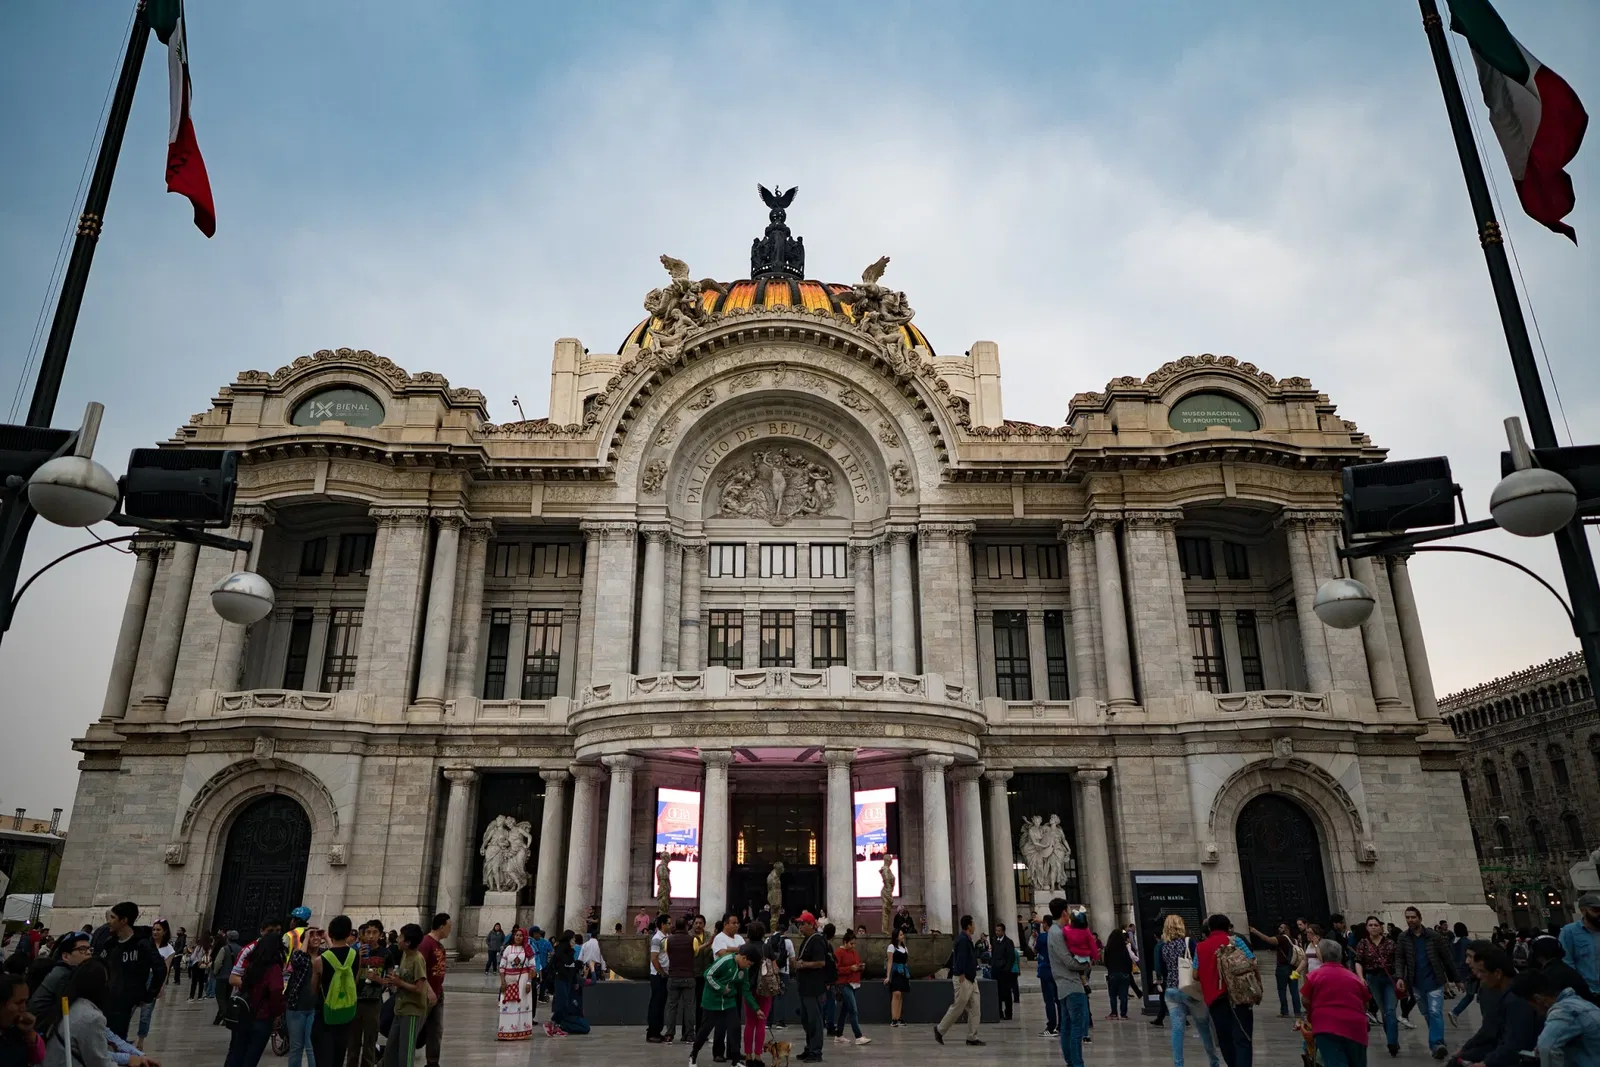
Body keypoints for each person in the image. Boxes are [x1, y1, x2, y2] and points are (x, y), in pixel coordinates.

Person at [89, 904, 163, 1042]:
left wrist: (148, 995)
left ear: (123, 920)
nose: (109, 921)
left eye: (113, 917)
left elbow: (160, 968)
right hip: (106, 998)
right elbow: (99, 965)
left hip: (125, 1000)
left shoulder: (143, 943)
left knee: (115, 1037)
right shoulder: (110, 943)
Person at [1396, 906, 1460, 1060]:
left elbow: (1447, 958)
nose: (1410, 920)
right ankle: (1437, 1042)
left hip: (1434, 980)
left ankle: (1437, 1043)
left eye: (1413, 917)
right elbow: (1399, 958)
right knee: (1426, 1013)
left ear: (1420, 918)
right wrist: (1399, 977)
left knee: (1435, 1012)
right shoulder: (1403, 938)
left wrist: (1456, 979)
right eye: (1408, 917)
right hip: (1416, 983)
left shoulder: (1433, 936)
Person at [1160, 913, 1220, 1067]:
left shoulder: (1163, 946)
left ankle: (1178, 1064)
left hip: (1171, 990)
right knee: (1203, 1025)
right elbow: (1197, 964)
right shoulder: (1188, 943)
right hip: (1189, 989)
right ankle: (1213, 1061)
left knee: (1177, 1030)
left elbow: (1162, 969)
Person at [689, 943, 764, 1067]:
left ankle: (735, 1060)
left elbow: (746, 990)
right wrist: (721, 988)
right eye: (749, 964)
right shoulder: (725, 961)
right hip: (712, 1001)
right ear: (744, 958)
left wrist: (756, 1009)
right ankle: (693, 1054)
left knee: (735, 1028)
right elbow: (707, 975)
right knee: (705, 1029)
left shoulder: (744, 970)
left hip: (729, 1002)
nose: (748, 967)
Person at [1301, 940, 1369, 1067]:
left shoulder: (1314, 976)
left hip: (1326, 1026)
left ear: (1321, 955)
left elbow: (1305, 1000)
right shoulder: (1354, 977)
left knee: (1335, 1062)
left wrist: (1312, 1013)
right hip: (1356, 1027)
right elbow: (1366, 1003)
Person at [1197, 914, 1253, 1067]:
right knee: (1243, 1037)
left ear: (1209, 928)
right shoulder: (1236, 941)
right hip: (1239, 995)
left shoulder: (1201, 947)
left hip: (1215, 997)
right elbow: (1251, 961)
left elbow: (1195, 973)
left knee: (1225, 1037)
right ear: (1228, 926)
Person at [223, 932, 285, 1067]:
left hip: (244, 1014)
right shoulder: (274, 969)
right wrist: (278, 1012)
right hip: (262, 1018)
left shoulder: (252, 965)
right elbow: (275, 992)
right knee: (250, 1058)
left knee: (236, 1053)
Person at [1047, 900, 1093, 1067]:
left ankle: (1071, 1062)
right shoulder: (1056, 933)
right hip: (1071, 985)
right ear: (1064, 913)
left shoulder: (1056, 931)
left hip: (1064, 986)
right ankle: (1076, 1063)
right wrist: (1086, 964)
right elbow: (1068, 961)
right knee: (1076, 1028)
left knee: (1067, 1027)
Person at [1527, 968, 1600, 1066]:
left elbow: (1547, 1048)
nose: (1538, 1013)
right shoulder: (1581, 1004)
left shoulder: (1565, 1010)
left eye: (1534, 1007)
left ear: (1538, 999)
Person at [381, 924, 431, 1067]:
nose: (397, 939)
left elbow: (419, 988)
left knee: (406, 1052)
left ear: (408, 942)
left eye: (401, 937)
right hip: (400, 1008)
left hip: (412, 1011)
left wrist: (400, 983)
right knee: (390, 1050)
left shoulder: (417, 959)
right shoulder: (405, 955)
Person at [1353, 915, 1401, 1057]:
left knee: (1390, 1010)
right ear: (1367, 928)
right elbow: (1358, 961)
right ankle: (1393, 1040)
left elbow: (1398, 960)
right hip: (1373, 979)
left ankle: (1392, 1042)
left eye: (1376, 925)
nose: (1373, 927)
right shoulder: (1363, 943)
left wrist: (1400, 978)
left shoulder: (1390, 943)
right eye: (1370, 925)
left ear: (1381, 927)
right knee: (1384, 1011)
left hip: (1389, 978)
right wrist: (1361, 978)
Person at [932, 914, 982, 1048]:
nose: (975, 926)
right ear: (969, 926)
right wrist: (961, 973)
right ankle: (940, 1029)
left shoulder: (967, 939)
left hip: (971, 978)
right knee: (958, 1007)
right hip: (964, 978)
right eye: (973, 924)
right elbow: (959, 958)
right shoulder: (962, 940)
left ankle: (972, 1037)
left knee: (975, 1007)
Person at [27, 932, 91, 1034]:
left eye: (89, 949)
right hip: (39, 1030)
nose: (88, 953)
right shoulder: (64, 975)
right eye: (82, 949)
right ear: (65, 956)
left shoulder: (66, 971)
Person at [349, 921, 387, 1067]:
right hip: (355, 1001)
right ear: (362, 935)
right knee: (353, 1043)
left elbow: (390, 981)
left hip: (374, 1002)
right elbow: (350, 978)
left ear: (380, 934)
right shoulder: (353, 953)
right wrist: (359, 959)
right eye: (367, 933)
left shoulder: (385, 953)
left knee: (370, 1043)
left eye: (374, 932)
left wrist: (378, 979)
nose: (371, 936)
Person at [794, 911, 830, 1062]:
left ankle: (816, 1051)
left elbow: (821, 962)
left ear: (810, 925)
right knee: (806, 1019)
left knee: (814, 1020)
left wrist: (803, 964)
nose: (800, 927)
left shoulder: (817, 940)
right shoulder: (808, 940)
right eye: (799, 924)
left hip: (813, 988)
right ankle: (809, 1048)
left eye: (802, 924)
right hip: (805, 987)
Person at [1247, 921, 1302, 1020]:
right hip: (1294, 968)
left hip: (1283, 968)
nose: (1279, 929)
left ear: (1286, 929)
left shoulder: (1282, 938)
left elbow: (1268, 939)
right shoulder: (1294, 940)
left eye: (1281, 927)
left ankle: (1284, 1011)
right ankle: (1297, 1011)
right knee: (1294, 991)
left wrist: (1255, 931)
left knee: (1282, 990)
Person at [416, 913, 451, 1066]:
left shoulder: (440, 946)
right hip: (426, 992)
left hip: (438, 992)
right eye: (449, 927)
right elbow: (419, 969)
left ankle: (432, 1062)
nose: (450, 930)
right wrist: (428, 990)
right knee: (415, 1029)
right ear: (441, 926)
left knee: (436, 1030)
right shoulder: (425, 943)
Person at [494, 926, 534, 1041]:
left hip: (523, 979)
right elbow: (502, 966)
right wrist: (502, 982)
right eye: (516, 935)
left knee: (521, 1004)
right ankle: (506, 1030)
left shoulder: (528, 950)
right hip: (509, 979)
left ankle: (521, 1031)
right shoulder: (508, 949)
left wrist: (529, 982)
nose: (518, 937)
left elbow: (532, 967)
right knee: (507, 1004)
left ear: (524, 937)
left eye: (521, 935)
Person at [831, 928, 869, 1046]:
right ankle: (858, 1036)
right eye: (851, 944)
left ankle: (839, 1035)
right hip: (843, 984)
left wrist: (859, 967)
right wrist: (849, 969)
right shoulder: (839, 953)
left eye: (854, 944)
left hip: (853, 983)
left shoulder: (853, 952)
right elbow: (835, 970)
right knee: (853, 1009)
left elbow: (855, 963)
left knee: (845, 1010)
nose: (853, 946)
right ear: (845, 942)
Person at [1559, 893, 1600, 996]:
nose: (1599, 913)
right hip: (1586, 993)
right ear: (1583, 910)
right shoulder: (1569, 932)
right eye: (1595, 910)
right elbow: (1567, 963)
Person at [0, 973, 44, 1067]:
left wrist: (29, 1032)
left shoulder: (16, 1029)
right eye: (18, 1003)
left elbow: (38, 1057)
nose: (23, 1008)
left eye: (25, 1002)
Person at [666, 918, 698, 1045]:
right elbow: (695, 954)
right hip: (688, 976)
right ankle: (690, 1034)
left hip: (673, 976)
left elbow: (668, 953)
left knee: (671, 1007)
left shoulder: (668, 940)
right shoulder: (693, 940)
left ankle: (669, 1034)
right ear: (686, 926)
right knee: (689, 1007)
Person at [547, 931, 578, 1037]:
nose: (574, 941)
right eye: (572, 938)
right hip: (560, 979)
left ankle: (558, 1026)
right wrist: (556, 974)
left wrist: (575, 980)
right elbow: (552, 965)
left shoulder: (571, 952)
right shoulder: (560, 951)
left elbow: (572, 967)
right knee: (562, 1002)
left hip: (568, 980)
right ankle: (552, 1022)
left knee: (565, 1004)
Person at [647, 914, 671, 1043]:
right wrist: (661, 972)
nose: (670, 925)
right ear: (662, 924)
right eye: (668, 923)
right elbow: (654, 958)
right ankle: (652, 1032)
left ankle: (658, 1031)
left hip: (663, 975)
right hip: (658, 976)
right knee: (656, 1004)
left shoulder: (666, 938)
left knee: (661, 1004)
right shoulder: (657, 939)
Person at [1448, 924, 1478, 1027]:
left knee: (1472, 993)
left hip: (1459, 971)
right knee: (1471, 993)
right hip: (1469, 971)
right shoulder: (1467, 942)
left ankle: (1455, 1012)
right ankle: (1455, 1012)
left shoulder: (1452, 942)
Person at [989, 922, 1019, 1022]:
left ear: (1003, 931)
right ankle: (999, 1012)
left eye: (999, 931)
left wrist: (1007, 969)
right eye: (996, 930)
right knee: (997, 993)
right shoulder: (994, 941)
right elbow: (993, 954)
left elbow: (1011, 957)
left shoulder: (1008, 942)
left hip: (1005, 972)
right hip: (996, 970)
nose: (997, 932)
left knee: (1006, 993)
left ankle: (1008, 1013)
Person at [1036, 913, 1059, 1038]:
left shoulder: (1043, 937)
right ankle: (1061, 1025)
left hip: (1045, 970)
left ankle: (1051, 1027)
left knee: (1049, 1000)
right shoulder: (1058, 935)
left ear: (1045, 923)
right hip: (1057, 971)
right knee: (1059, 1000)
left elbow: (1035, 949)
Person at [1104, 928, 1134, 1021]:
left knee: (1112, 995)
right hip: (1124, 973)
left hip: (1113, 973)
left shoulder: (1108, 948)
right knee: (1124, 995)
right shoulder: (1124, 947)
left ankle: (1114, 1013)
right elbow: (1129, 961)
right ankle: (1123, 1014)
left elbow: (1106, 961)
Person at [211, 931, 240, 1024]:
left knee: (220, 998)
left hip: (222, 976)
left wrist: (215, 972)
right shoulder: (241, 949)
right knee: (227, 997)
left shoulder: (224, 949)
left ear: (228, 938)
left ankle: (226, 1016)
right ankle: (218, 1019)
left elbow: (217, 963)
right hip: (233, 977)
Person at [885, 928, 911, 1029]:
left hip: (903, 972)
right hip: (895, 972)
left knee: (901, 995)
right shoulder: (891, 947)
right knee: (896, 993)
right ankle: (894, 1018)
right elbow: (890, 962)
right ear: (896, 936)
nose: (902, 936)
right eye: (900, 935)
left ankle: (899, 1017)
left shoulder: (905, 948)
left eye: (902, 934)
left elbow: (906, 962)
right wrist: (888, 976)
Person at [185, 935, 209, 1001]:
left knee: (194, 981)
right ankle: (200, 996)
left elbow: (193, 957)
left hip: (196, 964)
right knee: (201, 981)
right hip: (203, 965)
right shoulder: (208, 948)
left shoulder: (199, 947)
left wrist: (190, 959)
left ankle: (191, 996)